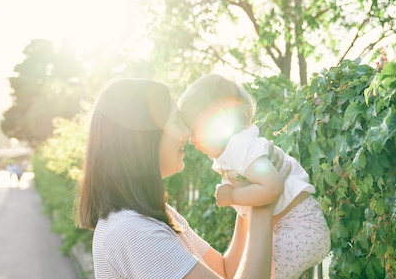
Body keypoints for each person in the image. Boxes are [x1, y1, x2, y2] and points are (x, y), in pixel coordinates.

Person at [77, 78, 290, 279]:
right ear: (146, 139)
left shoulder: (158, 216)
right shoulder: (134, 233)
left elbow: (226, 271)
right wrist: (264, 202)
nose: (188, 132)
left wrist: (249, 196)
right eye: (177, 122)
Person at [178, 74, 331, 279]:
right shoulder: (234, 151)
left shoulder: (241, 146)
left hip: (300, 226)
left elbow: (271, 188)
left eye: (193, 129)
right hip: (294, 229)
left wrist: (231, 196)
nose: (191, 141)